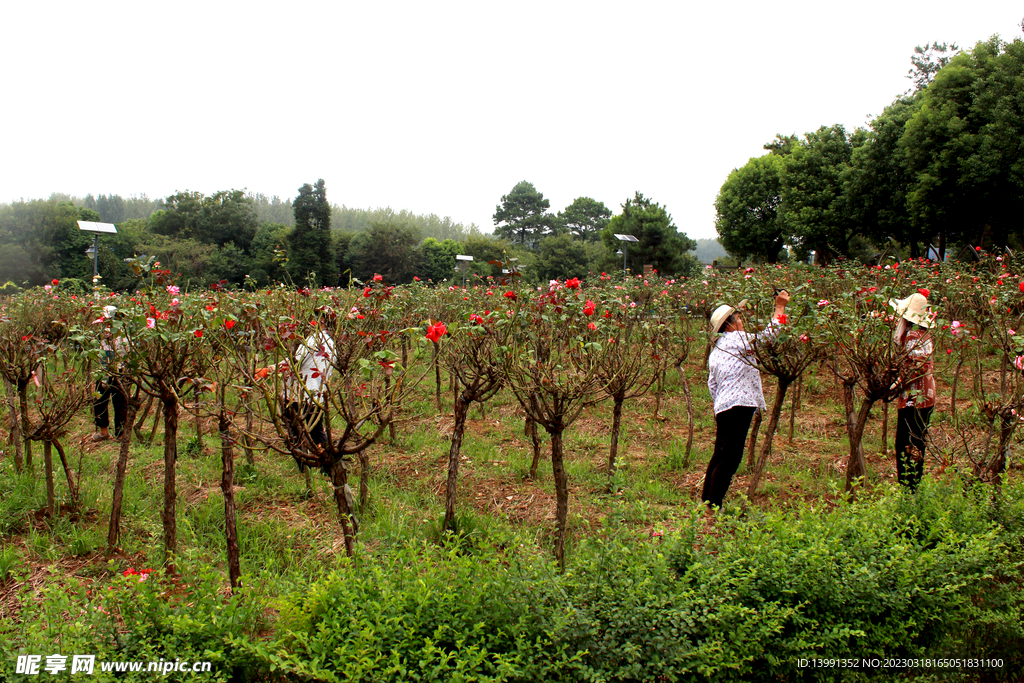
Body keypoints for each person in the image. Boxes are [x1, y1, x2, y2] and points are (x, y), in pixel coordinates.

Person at [703, 290, 790, 509]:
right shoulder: (736, 339)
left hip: (722, 406)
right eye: (738, 318)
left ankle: (707, 502)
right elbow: (770, 337)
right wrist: (780, 307)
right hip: (740, 405)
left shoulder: (717, 349)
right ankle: (714, 506)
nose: (742, 321)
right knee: (731, 458)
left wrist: (721, 402)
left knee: (720, 454)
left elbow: (711, 384)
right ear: (729, 324)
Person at [890, 292, 935, 491]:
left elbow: (915, 368)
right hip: (926, 397)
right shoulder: (924, 334)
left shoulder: (913, 336)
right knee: (917, 439)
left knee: (905, 443)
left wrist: (893, 385)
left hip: (913, 399)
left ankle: (908, 487)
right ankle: (913, 486)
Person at [93, 306, 128, 441]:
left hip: (116, 370)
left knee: (118, 402)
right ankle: (105, 432)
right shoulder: (108, 334)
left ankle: (119, 433)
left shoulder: (120, 334)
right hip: (107, 370)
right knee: (101, 401)